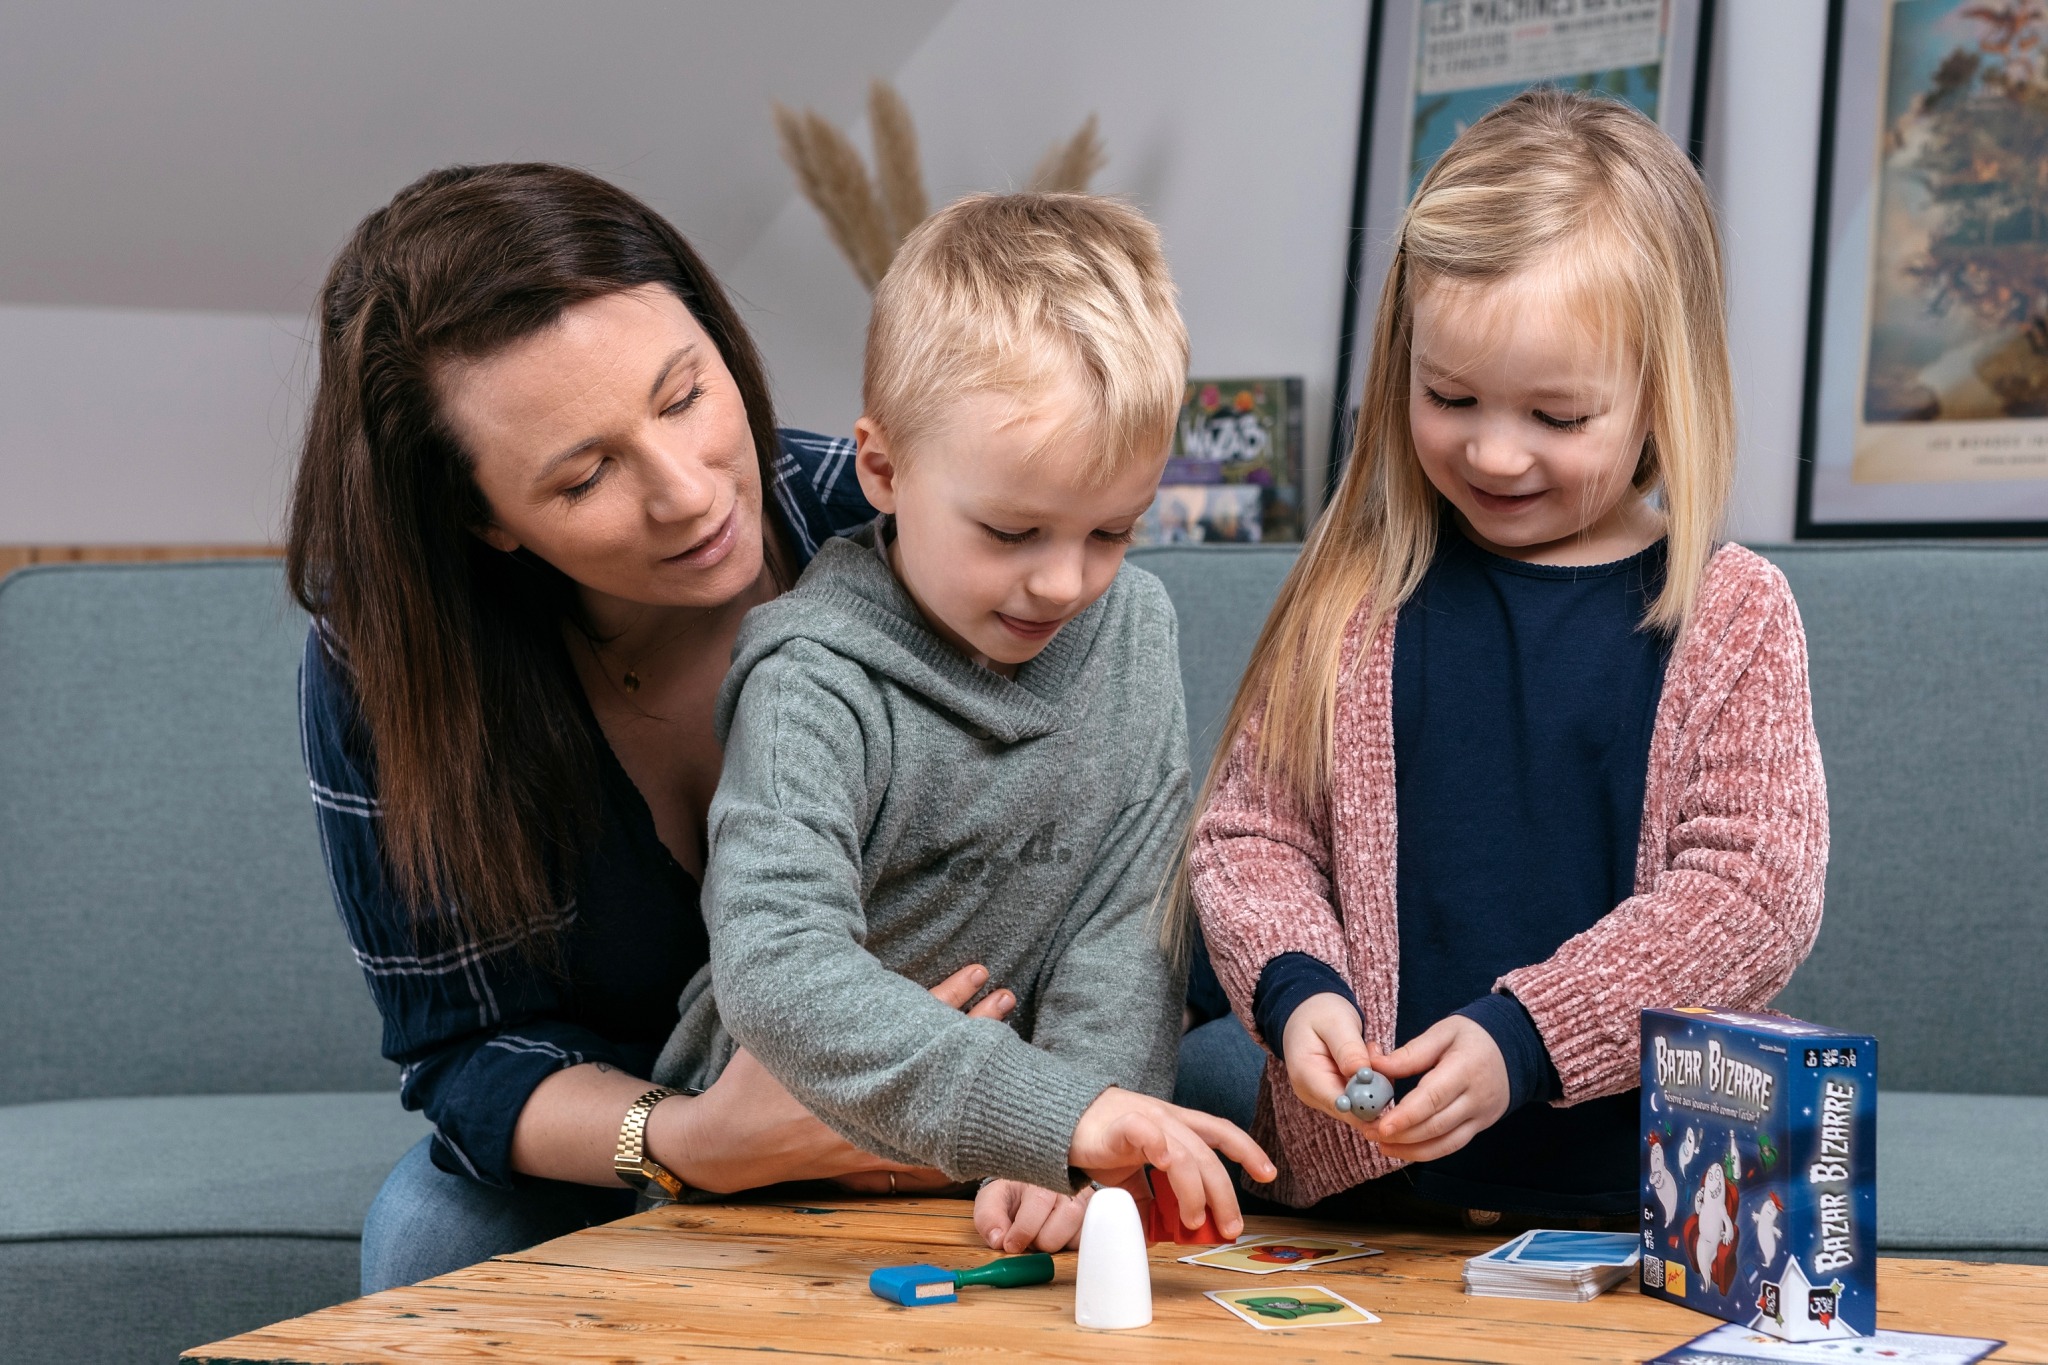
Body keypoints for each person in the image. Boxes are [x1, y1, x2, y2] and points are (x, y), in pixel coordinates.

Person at [289, 163, 1035, 1293]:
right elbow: (462, 1052)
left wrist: (1015, 1094)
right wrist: (693, 1143)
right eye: (585, 475)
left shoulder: (893, 523)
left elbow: (1111, 869)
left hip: (997, 1061)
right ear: (482, 521)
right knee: (435, 1237)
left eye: (685, 397)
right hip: (656, 1117)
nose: (687, 493)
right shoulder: (392, 663)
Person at [1174, 89, 1828, 1225]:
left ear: (1658, 397)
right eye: (1449, 396)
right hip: (1364, 1199)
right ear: (1401, 363)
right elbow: (1248, 838)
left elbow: (1752, 894)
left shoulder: (1730, 615)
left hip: (1636, 1210)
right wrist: (1295, 992)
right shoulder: (1351, 597)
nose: (1491, 450)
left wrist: (1525, 1037)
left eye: (1556, 416)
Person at [652, 193, 1274, 1255]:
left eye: (1112, 530)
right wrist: (1055, 1115)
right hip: (775, 1168)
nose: (1062, 581)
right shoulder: (811, 674)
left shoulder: (1132, 630)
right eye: (1010, 530)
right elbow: (776, 962)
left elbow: (1122, 928)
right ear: (882, 469)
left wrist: (1084, 1143)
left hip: (1005, 1153)